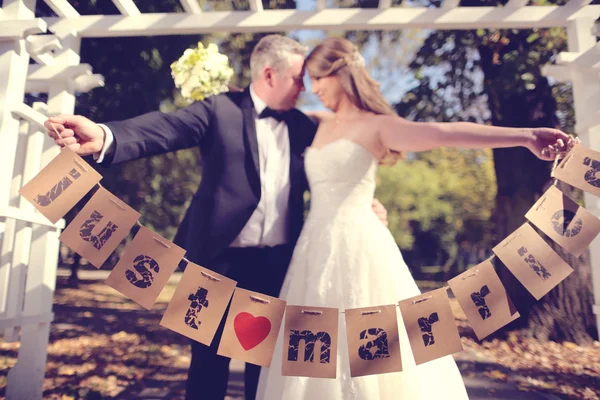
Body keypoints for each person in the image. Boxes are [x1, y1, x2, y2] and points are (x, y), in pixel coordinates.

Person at [44, 34, 388, 400]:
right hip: (216, 262)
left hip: (276, 263)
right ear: (270, 75)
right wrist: (104, 135)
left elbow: (338, 168)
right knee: (206, 363)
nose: (304, 88)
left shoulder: (305, 127)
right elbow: (165, 129)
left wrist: (365, 201)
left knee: (265, 368)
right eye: (298, 79)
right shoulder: (218, 110)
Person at [256, 37, 575, 400]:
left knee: (379, 345)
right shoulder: (315, 122)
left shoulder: (379, 126)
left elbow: (443, 134)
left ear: (340, 73)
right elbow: (257, 108)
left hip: (362, 247)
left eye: (317, 78)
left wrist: (527, 136)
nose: (312, 89)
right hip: (313, 250)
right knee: (310, 347)